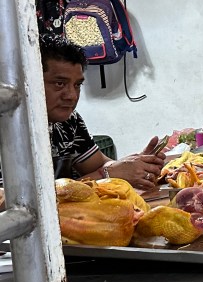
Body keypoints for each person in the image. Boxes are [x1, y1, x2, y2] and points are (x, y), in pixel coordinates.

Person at [37, 34, 165, 191]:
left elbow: (101, 164)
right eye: (59, 83)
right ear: (30, 80)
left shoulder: (70, 121)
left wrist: (135, 163)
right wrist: (107, 174)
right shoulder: (8, 130)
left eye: (77, 85)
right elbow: (12, 203)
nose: (71, 95)